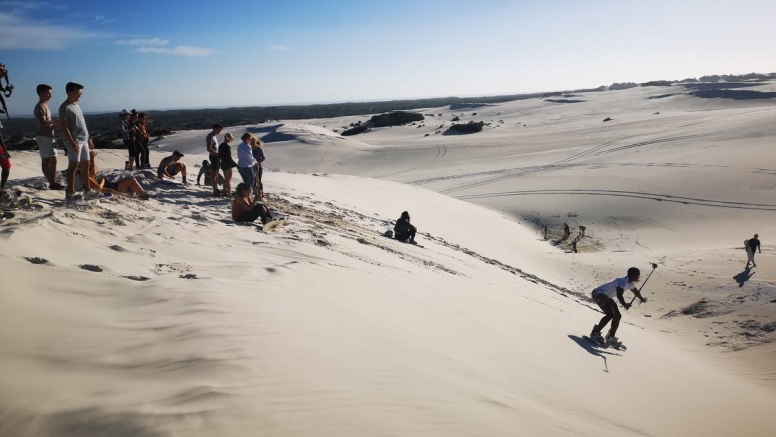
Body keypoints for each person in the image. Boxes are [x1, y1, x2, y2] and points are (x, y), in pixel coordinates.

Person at [59, 82, 99, 199]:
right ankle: (70, 192)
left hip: (83, 139)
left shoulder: (76, 105)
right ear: (70, 93)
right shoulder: (64, 107)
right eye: (77, 93)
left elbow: (82, 124)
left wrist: (88, 139)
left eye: (80, 94)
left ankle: (87, 190)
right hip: (74, 141)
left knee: (86, 165)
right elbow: (64, 127)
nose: (79, 96)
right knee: (73, 167)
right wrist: (71, 142)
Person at [589, 267, 646, 347]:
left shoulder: (631, 283)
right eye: (637, 275)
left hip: (606, 296)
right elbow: (619, 295)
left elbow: (635, 291)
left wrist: (641, 299)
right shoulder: (622, 281)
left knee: (618, 315)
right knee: (610, 314)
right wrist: (625, 304)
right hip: (598, 294)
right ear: (632, 275)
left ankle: (610, 337)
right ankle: (595, 333)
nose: (638, 277)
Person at [34, 84, 63, 189]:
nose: (50, 96)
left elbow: (47, 122)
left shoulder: (45, 105)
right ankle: (52, 183)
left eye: (50, 94)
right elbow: (42, 122)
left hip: (48, 136)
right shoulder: (40, 107)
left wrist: (58, 124)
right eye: (48, 93)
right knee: (49, 159)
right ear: (41, 93)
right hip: (43, 136)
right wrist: (55, 121)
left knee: (50, 159)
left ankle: (52, 182)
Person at [206, 123, 223, 196]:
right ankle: (214, 189)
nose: (219, 131)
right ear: (215, 128)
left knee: (216, 173)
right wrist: (217, 154)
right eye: (219, 129)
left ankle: (216, 188)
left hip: (216, 157)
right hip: (213, 157)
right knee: (214, 174)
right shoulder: (210, 136)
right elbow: (208, 149)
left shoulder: (214, 136)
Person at [218, 132, 237, 197]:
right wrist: (235, 164)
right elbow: (229, 157)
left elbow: (219, 155)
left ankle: (224, 191)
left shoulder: (221, 145)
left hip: (223, 163)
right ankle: (229, 193)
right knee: (228, 179)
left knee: (226, 179)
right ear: (230, 139)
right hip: (228, 164)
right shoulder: (227, 146)